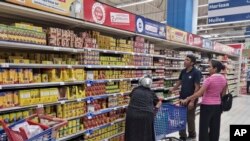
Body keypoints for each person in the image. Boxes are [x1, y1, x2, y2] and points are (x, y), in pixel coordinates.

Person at [183, 60, 227, 141]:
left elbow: (199, 93)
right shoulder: (224, 79)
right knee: (215, 127)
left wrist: (188, 98)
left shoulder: (209, 79)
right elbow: (223, 93)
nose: (208, 68)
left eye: (209, 67)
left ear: (215, 68)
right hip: (218, 106)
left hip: (207, 106)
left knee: (204, 127)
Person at [170, 55, 201, 141]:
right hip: (182, 98)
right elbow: (179, 82)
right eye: (185, 59)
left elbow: (197, 87)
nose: (184, 61)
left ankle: (192, 135)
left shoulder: (196, 72)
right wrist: (172, 89)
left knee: (190, 118)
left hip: (191, 99)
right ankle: (182, 136)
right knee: (180, 117)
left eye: (187, 60)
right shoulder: (183, 71)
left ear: (192, 63)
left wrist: (192, 101)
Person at [125, 75, 162, 141]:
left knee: (131, 133)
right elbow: (159, 103)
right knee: (146, 134)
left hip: (132, 114)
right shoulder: (151, 92)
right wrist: (155, 111)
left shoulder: (135, 90)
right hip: (146, 115)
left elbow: (131, 97)